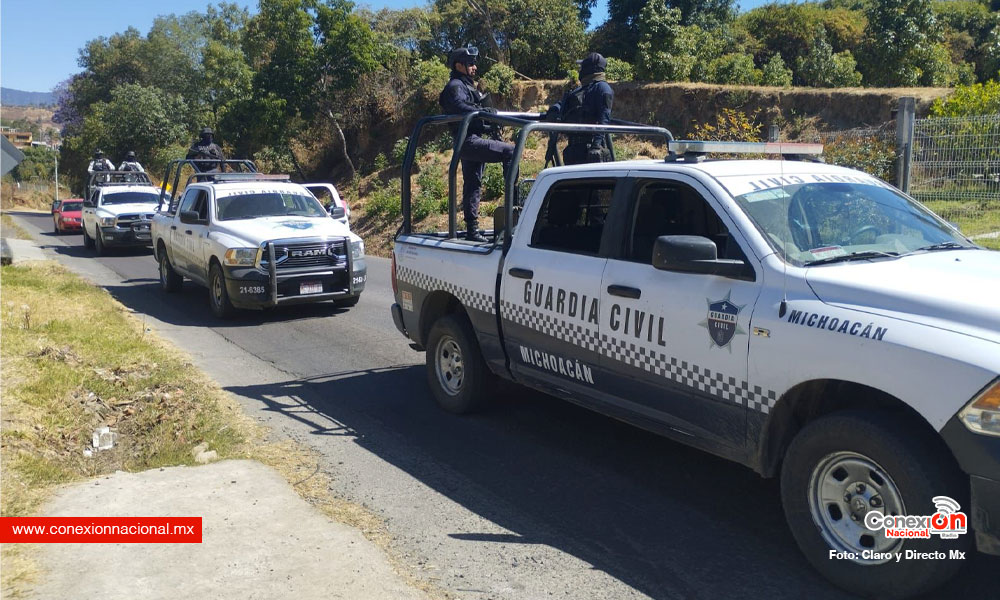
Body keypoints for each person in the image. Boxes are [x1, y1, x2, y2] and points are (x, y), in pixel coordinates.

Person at [439, 46, 514, 243]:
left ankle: (472, 229)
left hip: (473, 138)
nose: (474, 67)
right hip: (468, 140)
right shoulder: (455, 86)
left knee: (473, 184)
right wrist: (482, 112)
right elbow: (460, 107)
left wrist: (486, 116)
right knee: (510, 152)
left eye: (474, 63)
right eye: (470, 63)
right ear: (459, 66)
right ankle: (513, 204)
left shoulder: (467, 86)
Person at [545, 52, 614, 165]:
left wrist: (596, 145)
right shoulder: (579, 90)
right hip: (573, 148)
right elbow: (561, 104)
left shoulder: (602, 88)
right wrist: (553, 111)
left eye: (583, 67)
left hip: (590, 148)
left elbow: (604, 118)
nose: (580, 70)